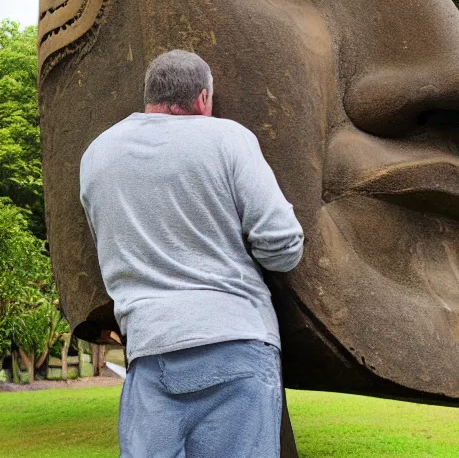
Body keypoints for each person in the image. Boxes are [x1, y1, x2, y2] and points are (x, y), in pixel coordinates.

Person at [79, 49, 304, 458]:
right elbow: (282, 244)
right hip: (235, 341)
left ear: (150, 95)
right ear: (203, 99)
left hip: (149, 349)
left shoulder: (97, 154)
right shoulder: (227, 137)